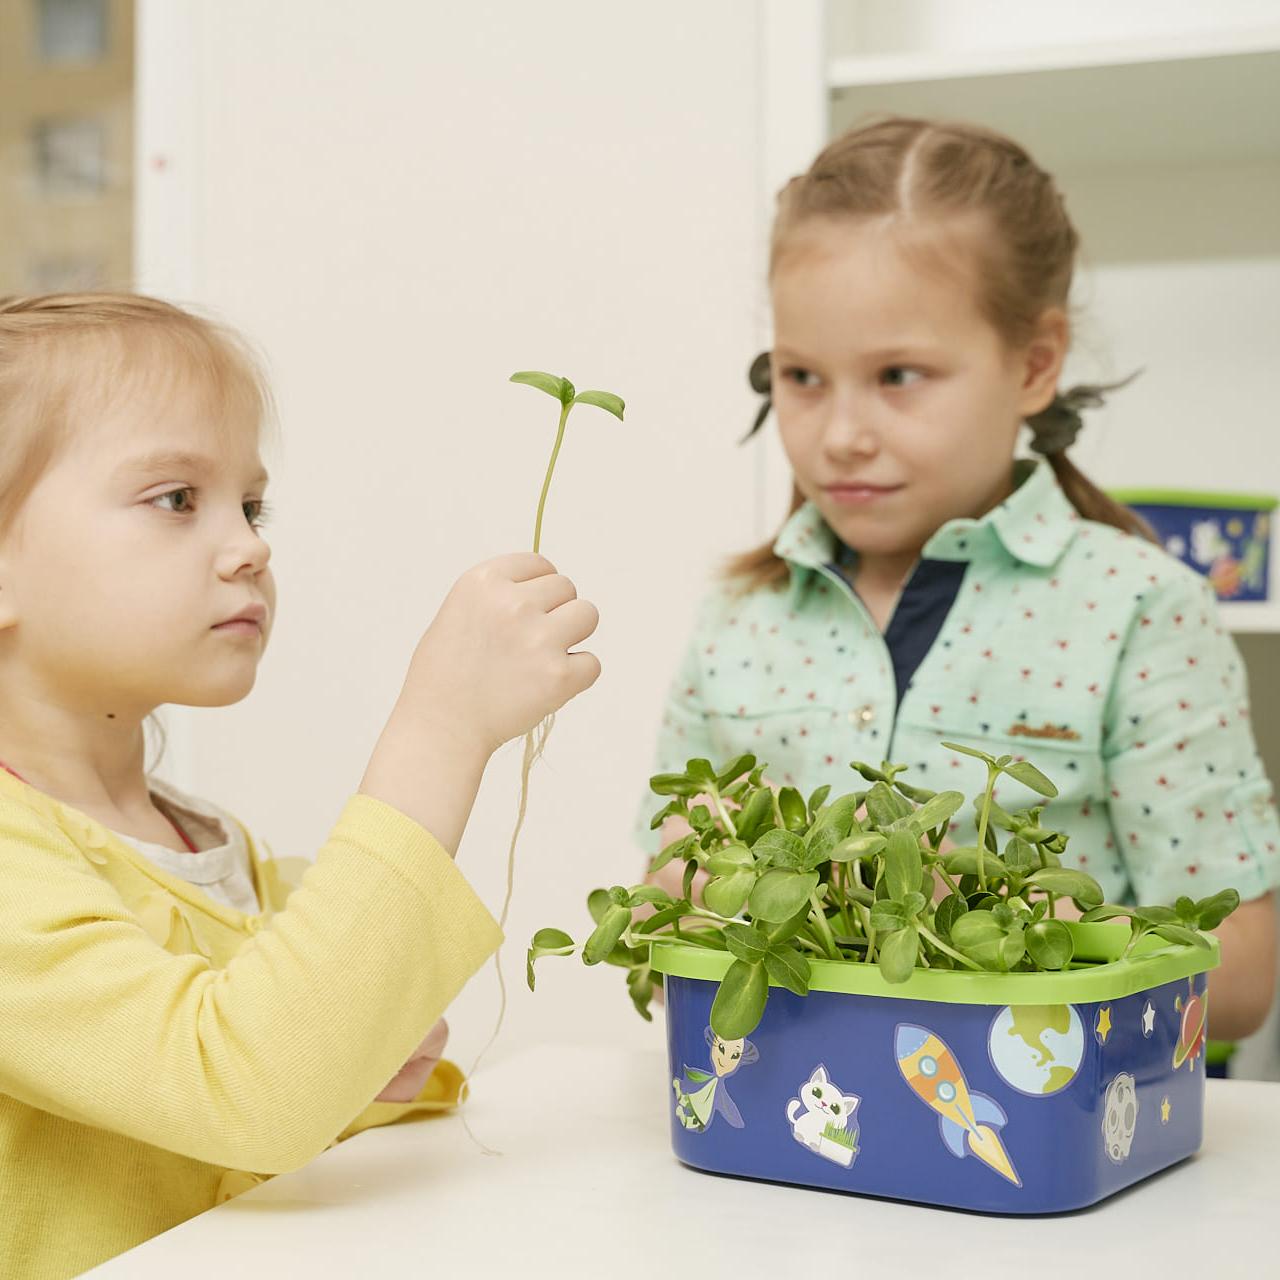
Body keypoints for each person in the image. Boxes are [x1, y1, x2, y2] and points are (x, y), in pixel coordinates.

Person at [638, 116, 1278, 1052]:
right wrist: (685, 894)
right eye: (802, 376)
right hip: (791, 1130)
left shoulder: (1140, 609)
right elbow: (663, 942)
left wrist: (993, 912)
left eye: (898, 375)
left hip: (1064, 1133)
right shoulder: (738, 617)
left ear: (1035, 364)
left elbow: (1244, 978)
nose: (841, 435)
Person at [0, 293, 601, 1278]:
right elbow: (243, 1091)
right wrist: (438, 732)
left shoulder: (211, 842)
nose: (250, 546)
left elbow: (261, 1125)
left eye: (251, 505)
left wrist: (363, 1071)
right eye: (175, 499)